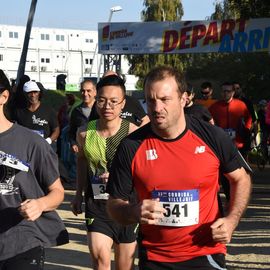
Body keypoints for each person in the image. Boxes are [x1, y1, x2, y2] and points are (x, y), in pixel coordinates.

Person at [106, 66, 252, 270]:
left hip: (205, 252)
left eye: (165, 99)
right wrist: (132, 211)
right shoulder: (131, 146)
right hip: (156, 257)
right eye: (150, 100)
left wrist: (231, 219)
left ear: (183, 99)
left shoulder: (212, 137)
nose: (157, 108)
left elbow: (241, 178)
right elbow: (113, 205)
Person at [0, 70, 69, 269]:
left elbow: (57, 192)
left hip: (22, 241)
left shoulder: (31, 143)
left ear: (4, 96)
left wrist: (39, 205)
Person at [71, 75, 138, 270]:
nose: (107, 106)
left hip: (127, 205)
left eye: (114, 101)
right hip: (97, 205)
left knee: (124, 266)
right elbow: (82, 161)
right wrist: (77, 195)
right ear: (95, 101)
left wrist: (119, 177)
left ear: (123, 104)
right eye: (102, 100)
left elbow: (144, 170)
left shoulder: (134, 133)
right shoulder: (84, 133)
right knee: (100, 260)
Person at [13, 80, 60, 146]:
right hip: (25, 147)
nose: (33, 95)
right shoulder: (18, 111)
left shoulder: (48, 110)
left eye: (35, 92)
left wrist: (48, 141)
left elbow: (56, 130)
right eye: (29, 92)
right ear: (24, 94)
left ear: (39, 93)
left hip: (44, 149)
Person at [69, 79, 97, 153]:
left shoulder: (101, 109)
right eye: (83, 91)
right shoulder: (76, 111)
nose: (85, 94)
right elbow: (72, 131)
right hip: (81, 151)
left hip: (99, 150)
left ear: (95, 92)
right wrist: (73, 144)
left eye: (88, 91)